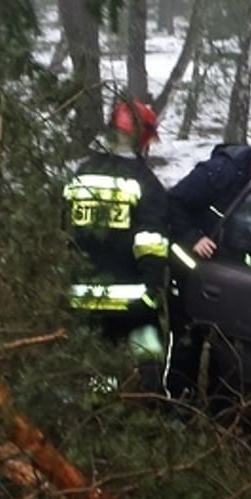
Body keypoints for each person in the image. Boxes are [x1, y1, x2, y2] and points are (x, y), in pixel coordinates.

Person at [62, 98, 172, 394]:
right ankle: (154, 403)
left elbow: (65, 231)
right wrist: (153, 290)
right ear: (143, 138)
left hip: (84, 293)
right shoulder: (144, 181)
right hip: (132, 294)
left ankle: (100, 410)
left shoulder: (80, 174)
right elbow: (150, 241)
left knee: (99, 358)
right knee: (147, 342)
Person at [167, 137, 251, 265]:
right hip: (192, 252)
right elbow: (173, 200)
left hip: (233, 256)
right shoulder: (219, 172)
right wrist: (193, 238)